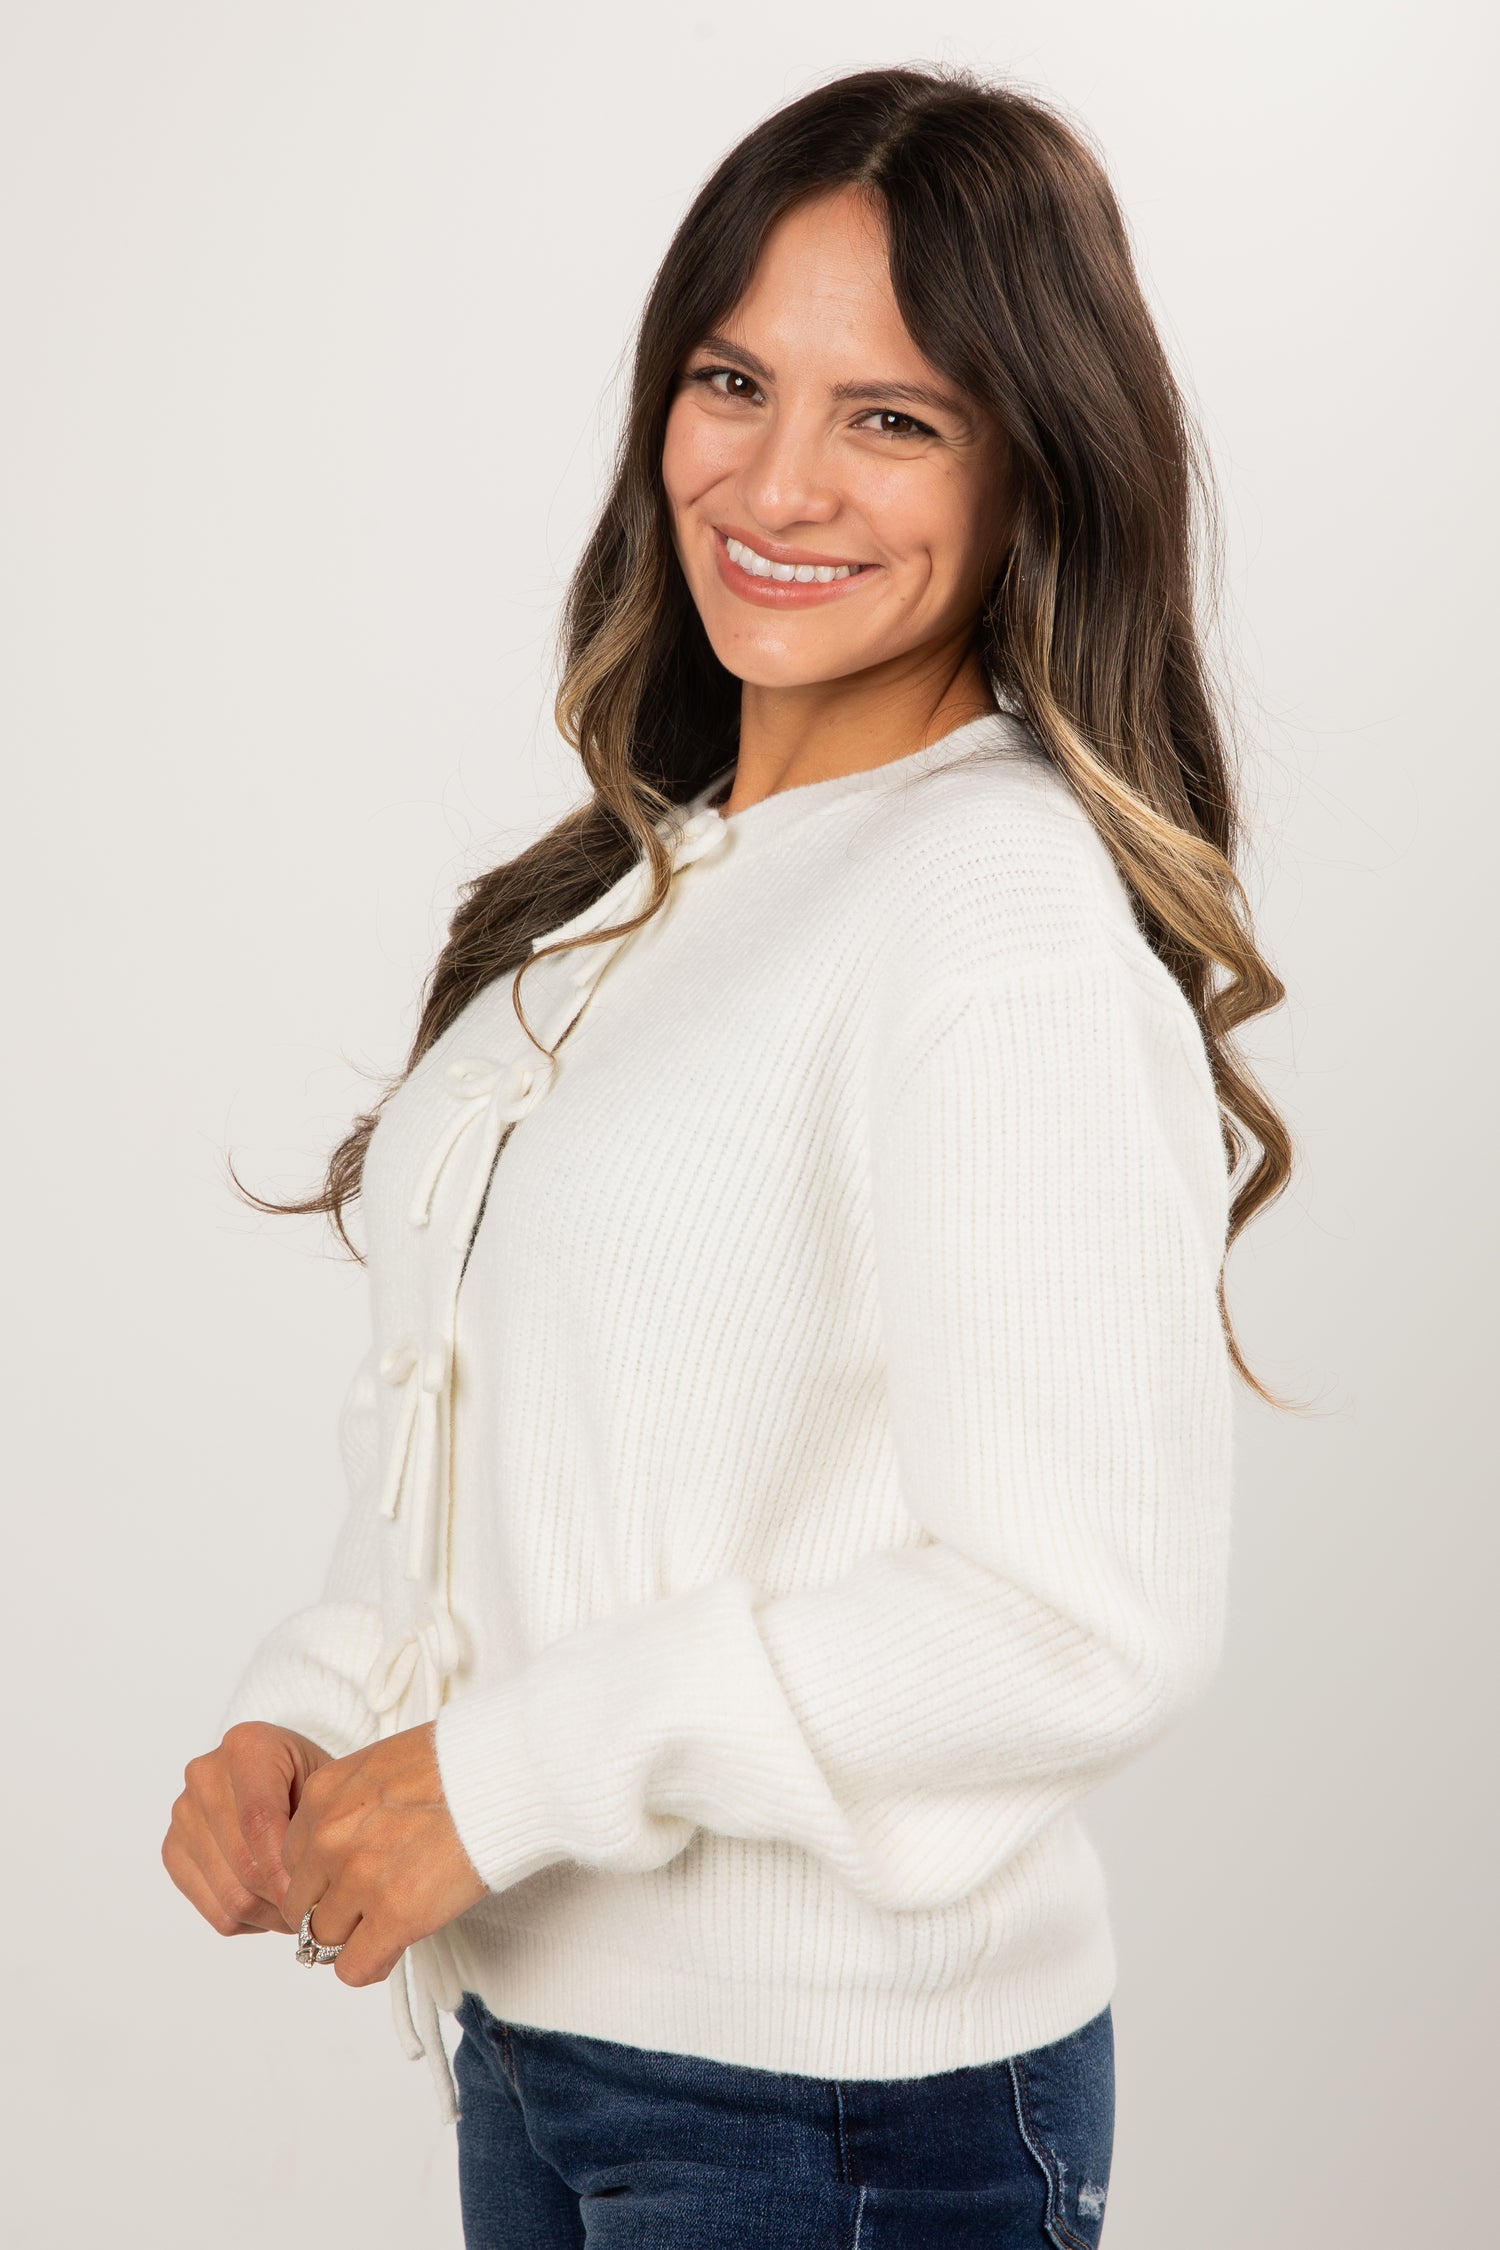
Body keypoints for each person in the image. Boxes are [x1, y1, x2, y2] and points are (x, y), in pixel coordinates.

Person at [161, 62, 1291, 2249]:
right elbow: (537, 1428)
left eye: (894, 416)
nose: (778, 480)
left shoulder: (992, 911)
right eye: (733, 379)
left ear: (1032, 462)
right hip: (551, 2051)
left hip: (838, 2119)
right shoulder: (654, 879)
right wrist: (319, 1703)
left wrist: (498, 1783)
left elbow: (1081, 1616)